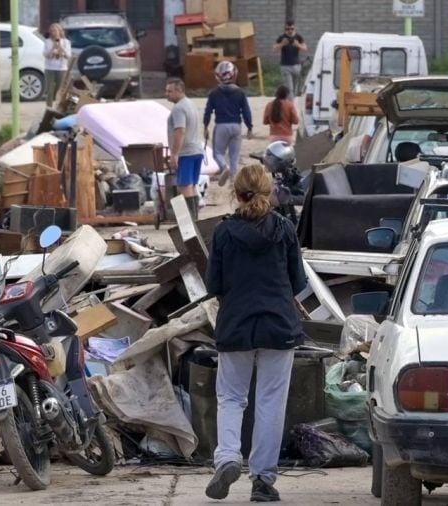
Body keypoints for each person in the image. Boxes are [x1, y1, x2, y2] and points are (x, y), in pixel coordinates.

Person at [204, 164, 307, 503]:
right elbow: (298, 283)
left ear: (236, 194)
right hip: (279, 325)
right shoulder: (285, 228)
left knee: (232, 398)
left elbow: (213, 285)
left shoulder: (223, 232)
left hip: (235, 325)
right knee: (270, 402)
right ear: (269, 193)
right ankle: (262, 480)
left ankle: (228, 457)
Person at [203, 61, 253, 187]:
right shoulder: (240, 92)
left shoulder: (214, 93)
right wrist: (250, 127)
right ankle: (233, 181)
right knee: (234, 155)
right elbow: (246, 111)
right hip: (236, 126)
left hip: (221, 126)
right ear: (234, 74)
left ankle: (224, 167)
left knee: (218, 153)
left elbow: (208, 111)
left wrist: (205, 126)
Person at [165, 77, 205, 221]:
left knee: (184, 186)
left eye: (169, 91)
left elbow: (180, 130)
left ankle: (189, 221)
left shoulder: (179, 108)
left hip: (186, 152)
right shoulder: (190, 104)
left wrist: (175, 154)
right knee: (192, 185)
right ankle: (195, 218)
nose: (166, 94)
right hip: (197, 150)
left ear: (178, 91)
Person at [273, 21, 308, 98]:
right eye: (287, 29)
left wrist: (298, 45)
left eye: (291, 29)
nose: (289, 31)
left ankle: (291, 103)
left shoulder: (298, 37)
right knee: (290, 88)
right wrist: (282, 44)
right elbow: (274, 49)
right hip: (285, 66)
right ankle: (291, 106)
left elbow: (305, 48)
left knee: (294, 89)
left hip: (296, 66)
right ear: (285, 29)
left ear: (295, 28)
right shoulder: (282, 37)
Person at [43, 22, 72, 107]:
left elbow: (68, 55)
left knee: (60, 88)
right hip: (50, 68)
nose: (53, 33)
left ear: (59, 31)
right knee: (50, 88)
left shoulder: (66, 42)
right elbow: (45, 55)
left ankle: (58, 104)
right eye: (51, 31)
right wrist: (53, 48)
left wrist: (61, 47)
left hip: (61, 68)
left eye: (55, 31)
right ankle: (49, 106)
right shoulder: (47, 41)